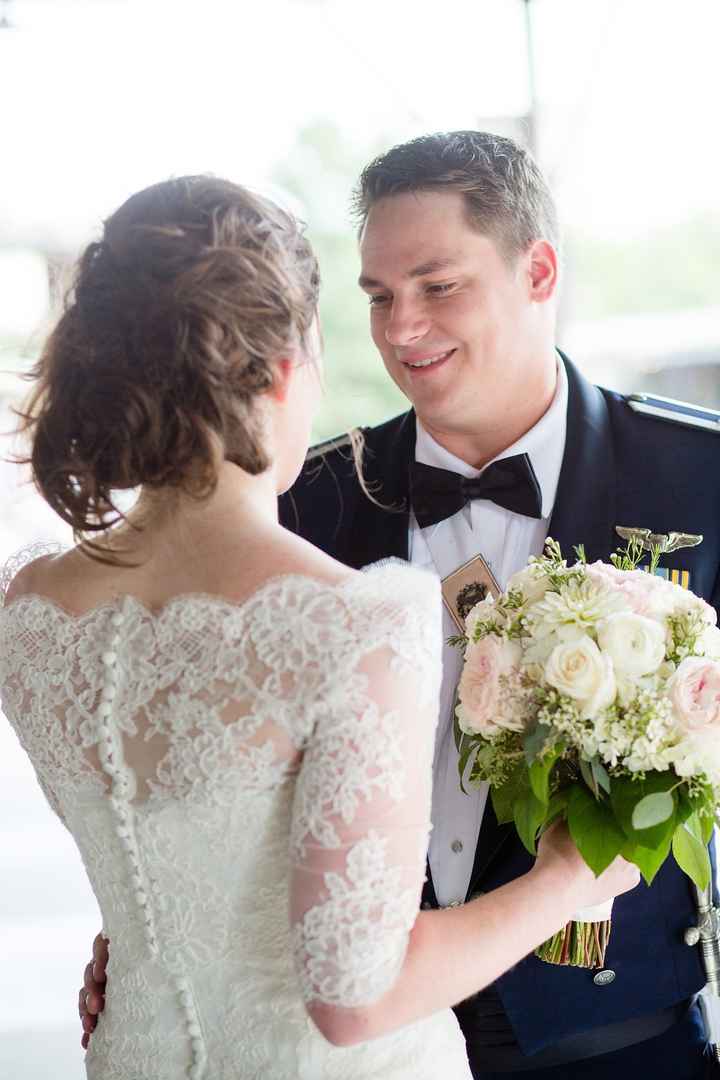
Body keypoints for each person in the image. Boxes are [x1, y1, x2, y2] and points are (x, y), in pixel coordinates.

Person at [82, 136, 720, 1077]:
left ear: (537, 269)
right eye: (378, 296)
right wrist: (149, 928)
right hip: (360, 1049)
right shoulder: (300, 504)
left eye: (437, 285)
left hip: (626, 1046)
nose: (400, 327)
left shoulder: (699, 476)